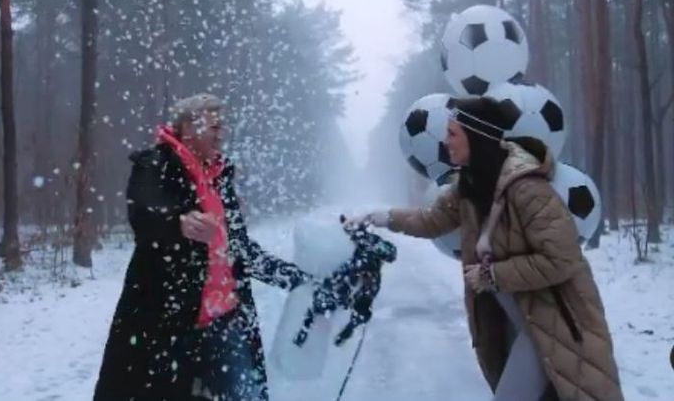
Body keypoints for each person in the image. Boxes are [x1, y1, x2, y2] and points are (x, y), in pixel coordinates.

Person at [350, 96, 624, 401]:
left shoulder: (529, 190)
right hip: (523, 329)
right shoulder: (469, 186)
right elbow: (429, 220)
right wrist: (381, 217)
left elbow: (562, 260)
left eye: (453, 133)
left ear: (477, 138)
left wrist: (493, 275)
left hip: (556, 331)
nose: (445, 141)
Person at [93, 93, 314, 401]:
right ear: (187, 128)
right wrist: (176, 222)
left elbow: (239, 250)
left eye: (222, 127)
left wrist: (297, 279)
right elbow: (143, 210)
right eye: (214, 127)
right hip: (169, 326)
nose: (221, 134)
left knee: (246, 395)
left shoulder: (219, 179)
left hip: (225, 322)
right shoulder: (155, 164)